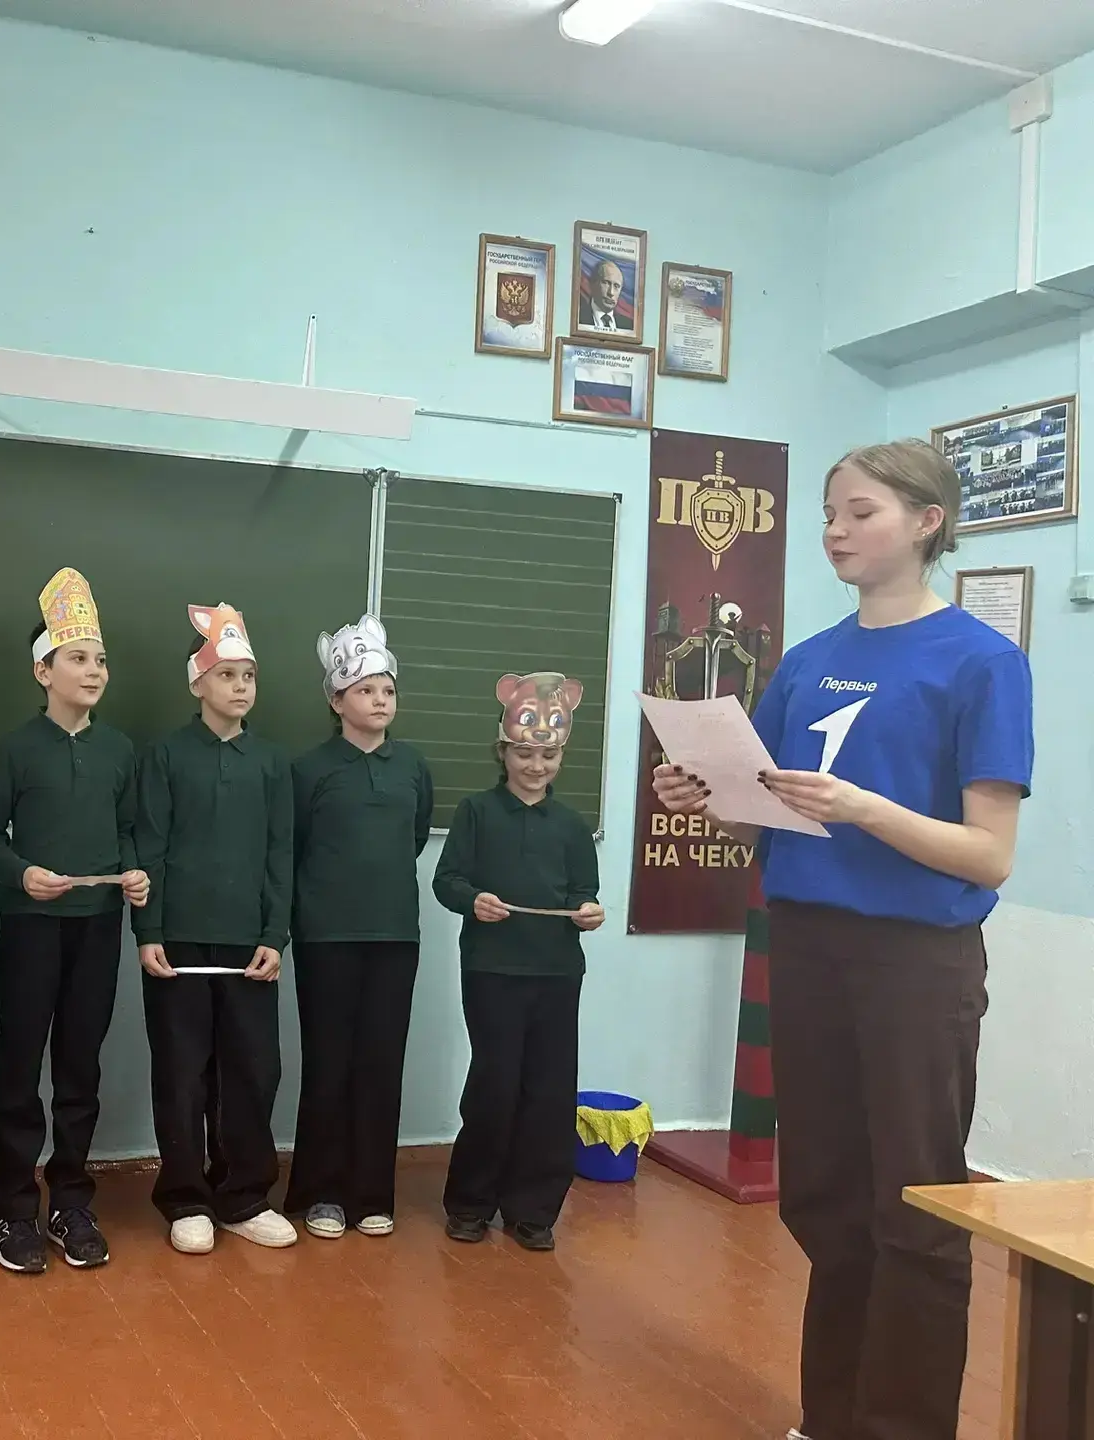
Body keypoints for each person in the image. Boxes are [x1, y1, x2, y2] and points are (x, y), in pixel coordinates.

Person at [653, 440, 1032, 1440]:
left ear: (926, 522)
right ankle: (832, 1418)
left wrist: (864, 806)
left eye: (860, 512)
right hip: (807, 947)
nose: (835, 531)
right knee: (824, 1195)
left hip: (914, 964)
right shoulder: (809, 662)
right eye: (829, 513)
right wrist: (708, 797)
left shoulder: (982, 662)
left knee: (915, 1205)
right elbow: (770, 823)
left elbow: (989, 855)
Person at [0, 568, 148, 1275]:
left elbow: (130, 831)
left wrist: (134, 874)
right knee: (21, 1062)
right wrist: (21, 873)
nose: (94, 671)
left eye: (100, 659)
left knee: (81, 1065)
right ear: (43, 670)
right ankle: (14, 1208)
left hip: (97, 926)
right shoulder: (15, 749)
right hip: (32, 925)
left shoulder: (119, 751)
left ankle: (71, 1202)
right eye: (78, 658)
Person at [134, 601, 297, 1254]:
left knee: (252, 1072)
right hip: (178, 942)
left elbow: (281, 853)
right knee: (182, 1073)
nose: (240, 686)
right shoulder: (166, 756)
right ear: (197, 682)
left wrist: (275, 935)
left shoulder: (272, 763)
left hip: (249, 944)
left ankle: (244, 1196)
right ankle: (186, 1198)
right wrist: (148, 931)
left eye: (249, 676)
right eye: (227, 675)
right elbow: (150, 846)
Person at [434, 671, 603, 1253]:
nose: (536, 765)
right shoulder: (476, 812)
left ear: (561, 757)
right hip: (493, 971)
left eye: (548, 756)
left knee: (549, 1092)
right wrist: (472, 900)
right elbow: (447, 880)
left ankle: (533, 1209)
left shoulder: (573, 826)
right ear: (503, 751)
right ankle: (470, 1203)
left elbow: (584, 891)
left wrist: (588, 911)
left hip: (557, 974)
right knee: (494, 1085)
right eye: (525, 754)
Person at [285, 615, 434, 1239]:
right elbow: (293, 847)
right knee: (329, 1063)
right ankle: (321, 1192)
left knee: (380, 1063)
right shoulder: (309, 769)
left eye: (388, 690)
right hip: (325, 937)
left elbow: (416, 836)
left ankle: (372, 1193)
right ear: (336, 700)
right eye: (366, 690)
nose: (380, 700)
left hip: (394, 936)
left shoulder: (412, 767)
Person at [577, 258, 627, 334]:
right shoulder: (577, 317)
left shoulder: (627, 325)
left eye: (616, 286)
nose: (611, 293)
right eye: (606, 283)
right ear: (593, 284)